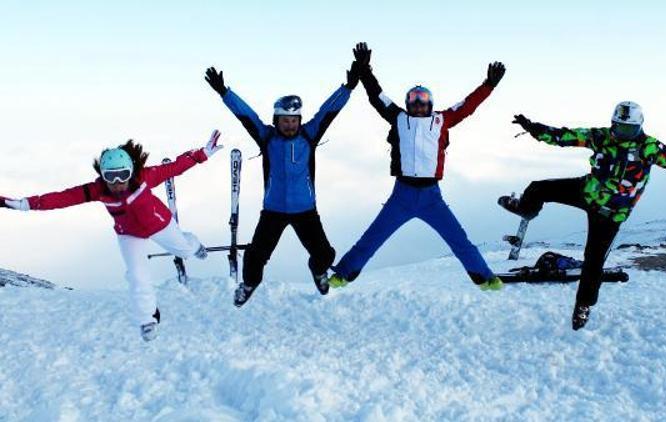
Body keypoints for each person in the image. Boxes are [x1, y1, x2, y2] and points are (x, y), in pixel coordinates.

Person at [1, 131, 224, 341]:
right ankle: (147, 318)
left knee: (184, 250)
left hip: (159, 224)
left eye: (123, 175)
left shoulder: (145, 177)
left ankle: (194, 245)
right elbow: (62, 198)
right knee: (137, 275)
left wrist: (202, 154)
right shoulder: (96, 190)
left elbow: (174, 168)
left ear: (131, 171)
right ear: (102, 175)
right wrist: (25, 204)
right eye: (111, 177)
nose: (117, 182)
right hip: (129, 235)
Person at [505, 101, 666, 330]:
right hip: (588, 192)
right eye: (619, 128)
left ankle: (583, 305)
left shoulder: (649, 147)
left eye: (628, 130)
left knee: (594, 260)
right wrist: (534, 128)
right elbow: (565, 136)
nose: (622, 134)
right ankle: (526, 209)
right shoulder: (601, 137)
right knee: (539, 188)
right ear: (613, 124)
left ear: (639, 127)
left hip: (611, 214)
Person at [328, 42, 505, 291]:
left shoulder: (442, 120)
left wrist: (489, 86)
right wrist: (365, 69)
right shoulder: (398, 117)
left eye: (423, 100)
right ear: (408, 103)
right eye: (413, 100)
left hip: (432, 197)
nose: (418, 104)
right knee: (372, 238)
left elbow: (467, 106)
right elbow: (376, 96)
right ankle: (343, 274)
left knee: (458, 240)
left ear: (430, 103)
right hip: (402, 194)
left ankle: (486, 278)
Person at [204, 61, 359, 307]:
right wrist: (225, 92)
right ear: (277, 120)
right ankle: (249, 285)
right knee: (255, 256)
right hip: (273, 211)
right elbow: (246, 115)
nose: (290, 124)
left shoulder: (309, 135)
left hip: (305, 211)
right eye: (285, 120)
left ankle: (318, 272)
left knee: (325, 254)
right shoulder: (267, 138)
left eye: (294, 120)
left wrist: (348, 87)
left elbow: (328, 111)